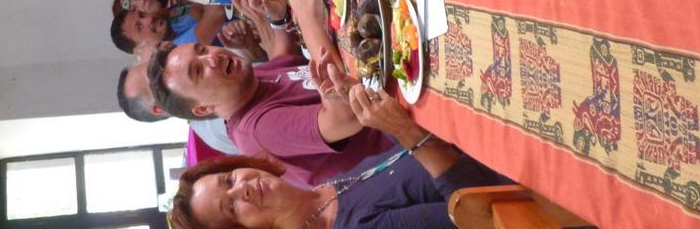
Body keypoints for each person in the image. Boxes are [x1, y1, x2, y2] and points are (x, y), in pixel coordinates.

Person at [147, 0, 396, 186]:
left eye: (201, 51)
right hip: (397, 129)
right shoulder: (256, 131)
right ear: (203, 109)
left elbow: (284, 61)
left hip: (378, 80)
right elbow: (349, 115)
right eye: (198, 72)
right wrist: (308, 20)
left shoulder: (243, 82)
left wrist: (278, 18)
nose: (213, 57)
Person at [168, 122, 507, 229]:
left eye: (228, 180)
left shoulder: (322, 193)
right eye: (231, 208)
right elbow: (487, 216)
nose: (241, 189)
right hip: (532, 182)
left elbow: (403, 162)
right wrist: (405, 130)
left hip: (492, 139)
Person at [118, 42, 242, 156]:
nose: (160, 63)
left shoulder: (207, 64)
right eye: (153, 75)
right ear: (159, 108)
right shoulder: (217, 125)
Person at [110, 0, 226, 53]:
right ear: (140, 49)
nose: (149, 19)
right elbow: (216, 14)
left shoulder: (170, 26)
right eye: (140, 27)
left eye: (142, 14)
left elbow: (200, 3)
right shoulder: (177, 50)